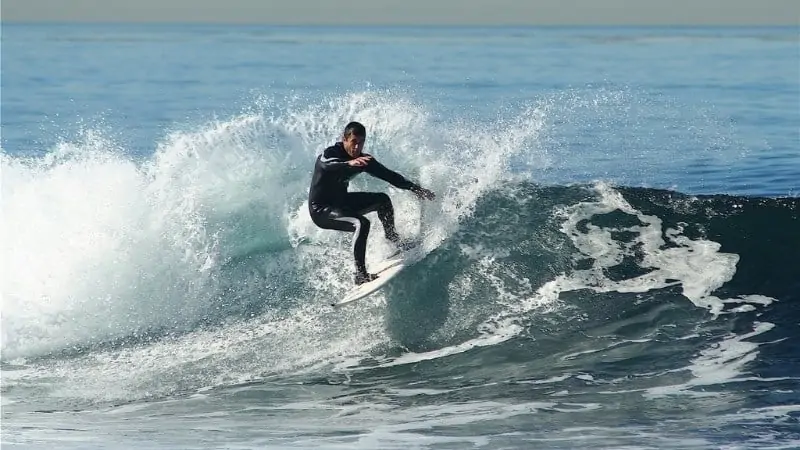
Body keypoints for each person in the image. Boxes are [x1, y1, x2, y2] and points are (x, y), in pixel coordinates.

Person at [308, 121, 435, 285]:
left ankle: (393, 238)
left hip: (341, 202)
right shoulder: (331, 153)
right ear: (344, 140)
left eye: (361, 143)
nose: (357, 148)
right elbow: (326, 164)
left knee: (382, 200)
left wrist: (416, 189)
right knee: (361, 223)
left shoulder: (362, 160)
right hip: (322, 210)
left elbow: (389, 176)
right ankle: (360, 274)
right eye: (354, 142)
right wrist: (348, 164)